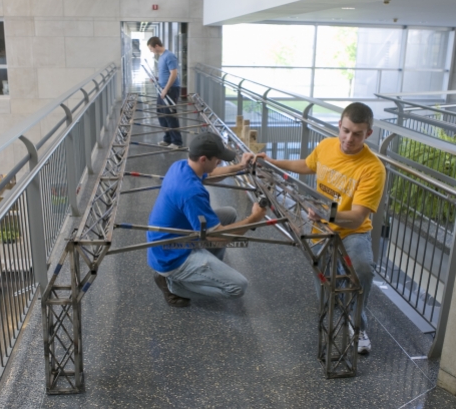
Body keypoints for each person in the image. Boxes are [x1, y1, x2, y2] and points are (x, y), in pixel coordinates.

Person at [257, 102, 385, 354]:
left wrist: (328, 213)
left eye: (357, 134)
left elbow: (358, 218)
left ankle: (357, 326)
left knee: (361, 270)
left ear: (368, 134)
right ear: (339, 125)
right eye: (346, 130)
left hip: (352, 232)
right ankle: (330, 312)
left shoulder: (373, 168)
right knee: (324, 277)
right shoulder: (326, 146)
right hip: (321, 227)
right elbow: (307, 165)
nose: (349, 138)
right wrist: (272, 162)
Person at [147, 132, 266, 308]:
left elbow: (211, 175)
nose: (220, 161)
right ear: (203, 159)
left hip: (170, 241)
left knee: (228, 213)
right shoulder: (191, 192)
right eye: (217, 158)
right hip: (172, 256)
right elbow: (217, 235)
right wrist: (254, 219)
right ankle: (174, 285)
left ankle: (206, 268)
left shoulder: (180, 166)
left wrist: (240, 167)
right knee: (238, 287)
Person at [147, 36, 183, 148]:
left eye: (151, 49)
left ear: (157, 46)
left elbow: (174, 74)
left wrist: (166, 89)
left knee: (170, 115)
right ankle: (167, 139)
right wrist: (157, 78)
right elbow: (166, 73)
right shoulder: (162, 57)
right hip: (162, 88)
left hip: (170, 89)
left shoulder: (169, 56)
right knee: (161, 114)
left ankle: (176, 142)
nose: (151, 51)